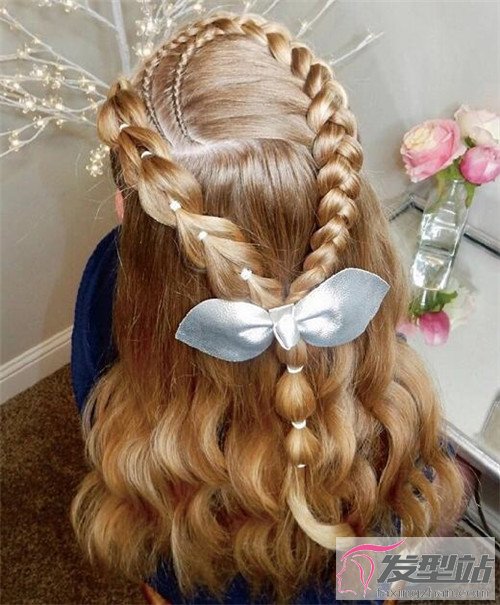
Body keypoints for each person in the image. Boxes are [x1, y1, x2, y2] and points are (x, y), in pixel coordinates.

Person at [70, 12, 467, 604]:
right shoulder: (364, 298)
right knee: (429, 561)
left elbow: (92, 398)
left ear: (131, 210)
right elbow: (404, 529)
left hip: (190, 559)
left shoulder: (108, 274)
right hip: (349, 567)